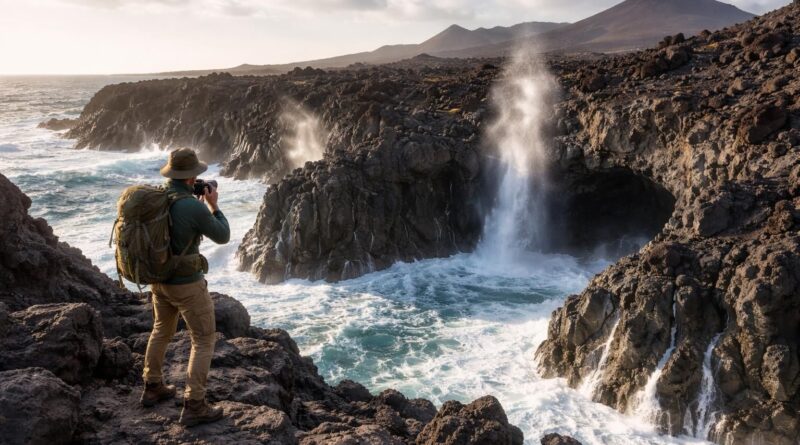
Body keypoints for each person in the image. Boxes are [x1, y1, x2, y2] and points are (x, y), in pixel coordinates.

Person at [139, 147, 230, 427]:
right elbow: (223, 235)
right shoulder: (191, 205)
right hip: (186, 285)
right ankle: (195, 404)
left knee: (161, 330)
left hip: (159, 281)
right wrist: (213, 204)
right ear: (192, 178)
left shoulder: (158, 197)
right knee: (203, 340)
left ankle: (152, 386)